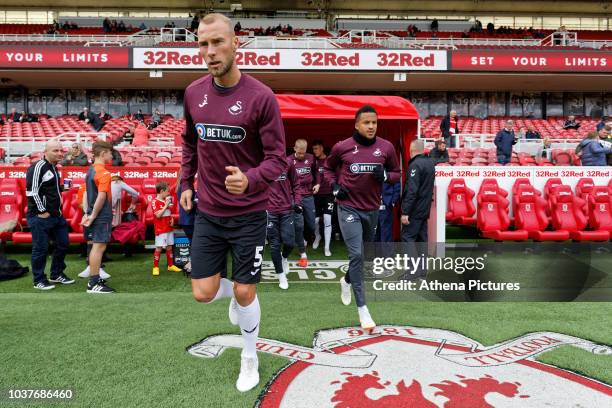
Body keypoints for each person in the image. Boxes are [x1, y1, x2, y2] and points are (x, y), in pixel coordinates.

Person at [179, 13, 286, 392]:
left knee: (245, 292)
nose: (210, 52)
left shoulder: (261, 97)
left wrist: (251, 179)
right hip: (209, 210)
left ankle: (249, 355)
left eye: (217, 43)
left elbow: (278, 158)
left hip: (249, 213)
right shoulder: (193, 93)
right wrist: (184, 183)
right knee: (202, 293)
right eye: (203, 45)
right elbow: (191, 142)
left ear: (235, 43)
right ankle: (239, 296)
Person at [323, 105, 401, 330]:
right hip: (348, 208)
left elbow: (397, 173)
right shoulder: (343, 147)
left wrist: (386, 175)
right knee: (356, 253)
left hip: (372, 209)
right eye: (366, 122)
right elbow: (327, 169)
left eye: (374, 122)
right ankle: (363, 310)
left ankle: (346, 280)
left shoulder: (386, 147)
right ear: (356, 124)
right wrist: (335, 187)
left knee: (363, 256)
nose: (371, 126)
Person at [26, 140, 75, 290]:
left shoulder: (54, 167)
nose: (60, 153)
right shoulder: (37, 167)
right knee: (40, 248)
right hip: (40, 216)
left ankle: (56, 274)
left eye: (61, 150)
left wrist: (61, 188)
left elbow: (47, 189)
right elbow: (32, 192)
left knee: (63, 244)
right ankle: (39, 280)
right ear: (45, 152)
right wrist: (42, 211)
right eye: (56, 151)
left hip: (56, 215)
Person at [81, 140, 115, 294]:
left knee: (96, 246)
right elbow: (101, 197)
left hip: (95, 215)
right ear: (103, 154)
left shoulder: (90, 170)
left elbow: (87, 194)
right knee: (98, 247)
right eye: (110, 153)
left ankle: (94, 280)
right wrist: (93, 215)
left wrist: (87, 214)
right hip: (101, 216)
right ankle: (94, 283)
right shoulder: (104, 173)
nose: (111, 155)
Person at [267, 157, 300, 290]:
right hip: (270, 210)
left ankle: (284, 258)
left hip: (287, 209)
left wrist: (297, 202)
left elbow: (296, 184)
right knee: (274, 245)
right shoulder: (264, 163)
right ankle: (281, 275)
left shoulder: (288, 163)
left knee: (289, 242)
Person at [289, 139, 318, 268]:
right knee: (299, 225)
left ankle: (304, 240)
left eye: (303, 153)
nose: (301, 155)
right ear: (294, 148)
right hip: (296, 196)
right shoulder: (288, 161)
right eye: (299, 153)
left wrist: (317, 184)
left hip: (309, 195)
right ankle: (302, 252)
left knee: (312, 224)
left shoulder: (311, 158)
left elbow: (316, 172)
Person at [401, 140, 435, 242]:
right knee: (422, 238)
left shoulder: (415, 165)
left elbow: (412, 190)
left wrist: (405, 212)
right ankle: (422, 259)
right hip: (425, 208)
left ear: (411, 150)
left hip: (415, 210)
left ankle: (411, 259)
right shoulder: (430, 163)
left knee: (407, 237)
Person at [151, 181, 182, 276]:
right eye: (167, 191)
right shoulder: (155, 201)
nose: (169, 193)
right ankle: (155, 267)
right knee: (159, 248)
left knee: (169, 247)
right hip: (161, 230)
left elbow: (168, 213)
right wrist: (166, 205)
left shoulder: (166, 201)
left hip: (168, 228)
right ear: (161, 191)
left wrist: (172, 219)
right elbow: (158, 215)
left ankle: (170, 265)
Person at [311, 139, 333, 257]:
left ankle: (327, 247)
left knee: (327, 219)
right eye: (313, 149)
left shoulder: (329, 160)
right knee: (314, 220)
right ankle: (317, 236)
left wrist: (336, 191)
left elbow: (337, 174)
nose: (314, 151)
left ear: (322, 148)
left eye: (316, 148)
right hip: (316, 195)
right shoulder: (313, 161)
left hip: (329, 194)